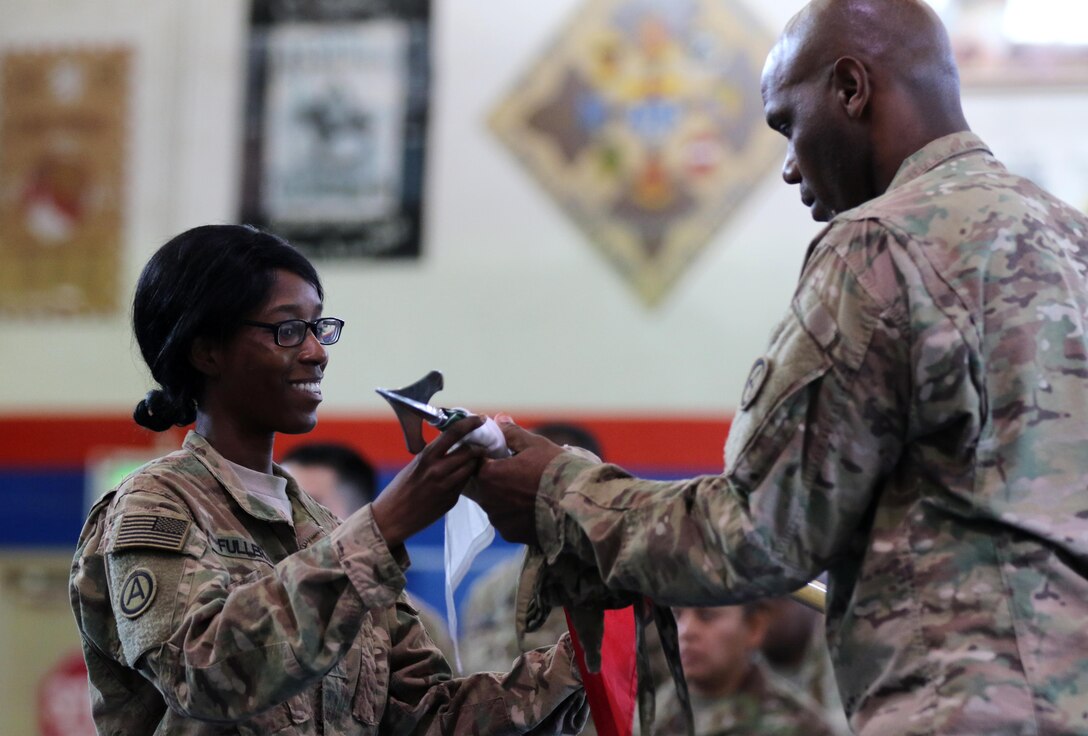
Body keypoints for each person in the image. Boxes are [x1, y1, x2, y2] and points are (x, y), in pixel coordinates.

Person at [468, 0, 1088, 733]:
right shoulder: (1071, 241)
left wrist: (558, 490)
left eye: (788, 124)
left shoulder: (878, 248)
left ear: (851, 88)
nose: (791, 165)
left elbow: (755, 535)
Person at [69, 225, 587, 735]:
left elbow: (432, 716)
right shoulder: (156, 507)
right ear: (207, 351)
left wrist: (587, 655)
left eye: (320, 327)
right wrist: (384, 526)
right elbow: (203, 673)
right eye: (288, 329)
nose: (318, 351)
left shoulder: (321, 530)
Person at [281, 441, 459, 664]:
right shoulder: (250, 601)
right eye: (281, 502)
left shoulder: (413, 627)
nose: (287, 518)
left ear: (359, 518)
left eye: (309, 505)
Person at [656, 604, 833, 736]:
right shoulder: (646, 713)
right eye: (677, 615)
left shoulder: (800, 725)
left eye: (707, 616)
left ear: (754, 627)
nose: (686, 631)